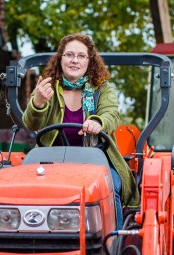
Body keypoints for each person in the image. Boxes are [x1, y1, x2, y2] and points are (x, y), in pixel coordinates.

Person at [22, 33, 139, 228]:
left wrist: (97, 122)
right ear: (60, 59)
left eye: (81, 56)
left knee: (113, 186)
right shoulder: (47, 88)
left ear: (89, 60)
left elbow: (112, 115)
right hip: (53, 161)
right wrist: (38, 102)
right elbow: (31, 123)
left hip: (96, 161)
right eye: (69, 55)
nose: (74, 60)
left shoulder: (102, 89)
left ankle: (114, 243)